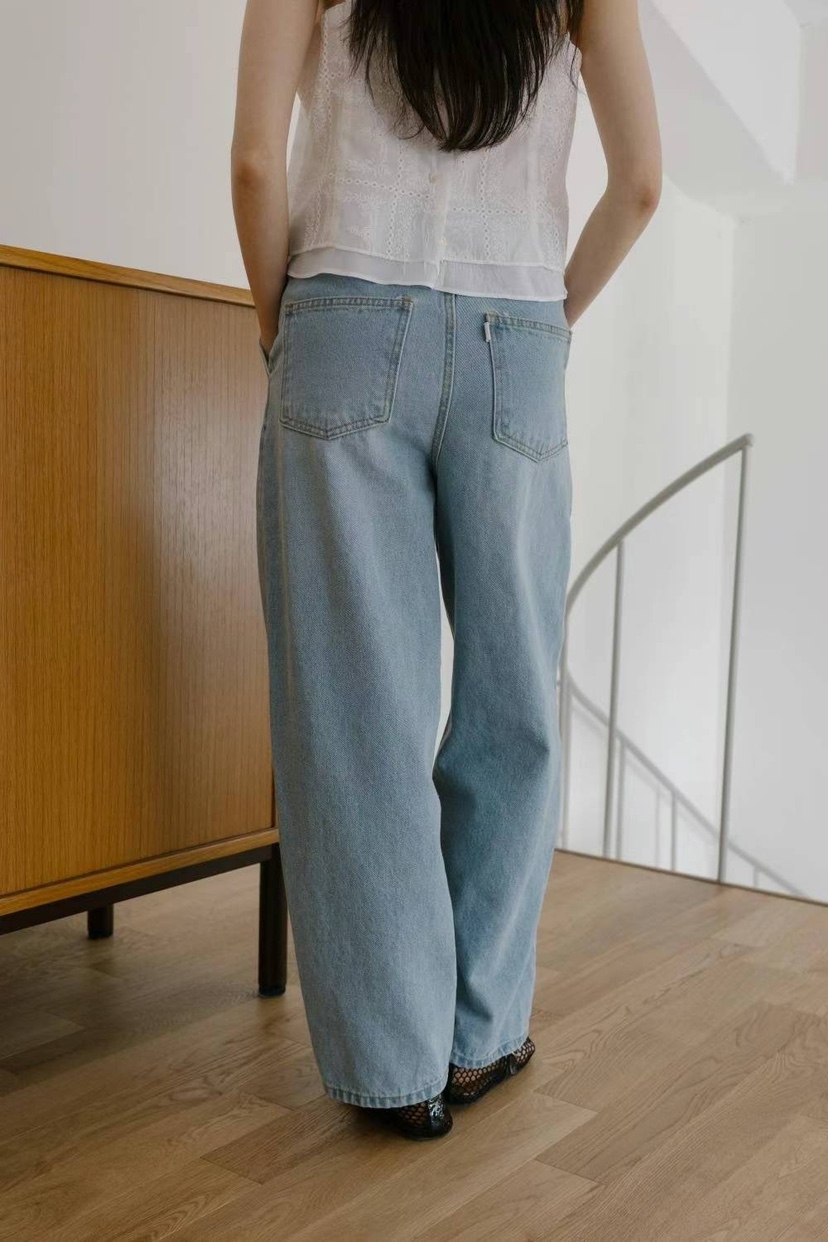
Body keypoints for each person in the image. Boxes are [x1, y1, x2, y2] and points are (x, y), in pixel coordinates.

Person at [231, 0, 660, 1141]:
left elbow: (254, 162)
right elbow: (639, 185)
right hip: (518, 329)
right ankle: (480, 1033)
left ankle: (394, 1064)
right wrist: (548, 323)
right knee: (513, 699)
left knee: (355, 712)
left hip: (342, 309)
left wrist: (282, 332)